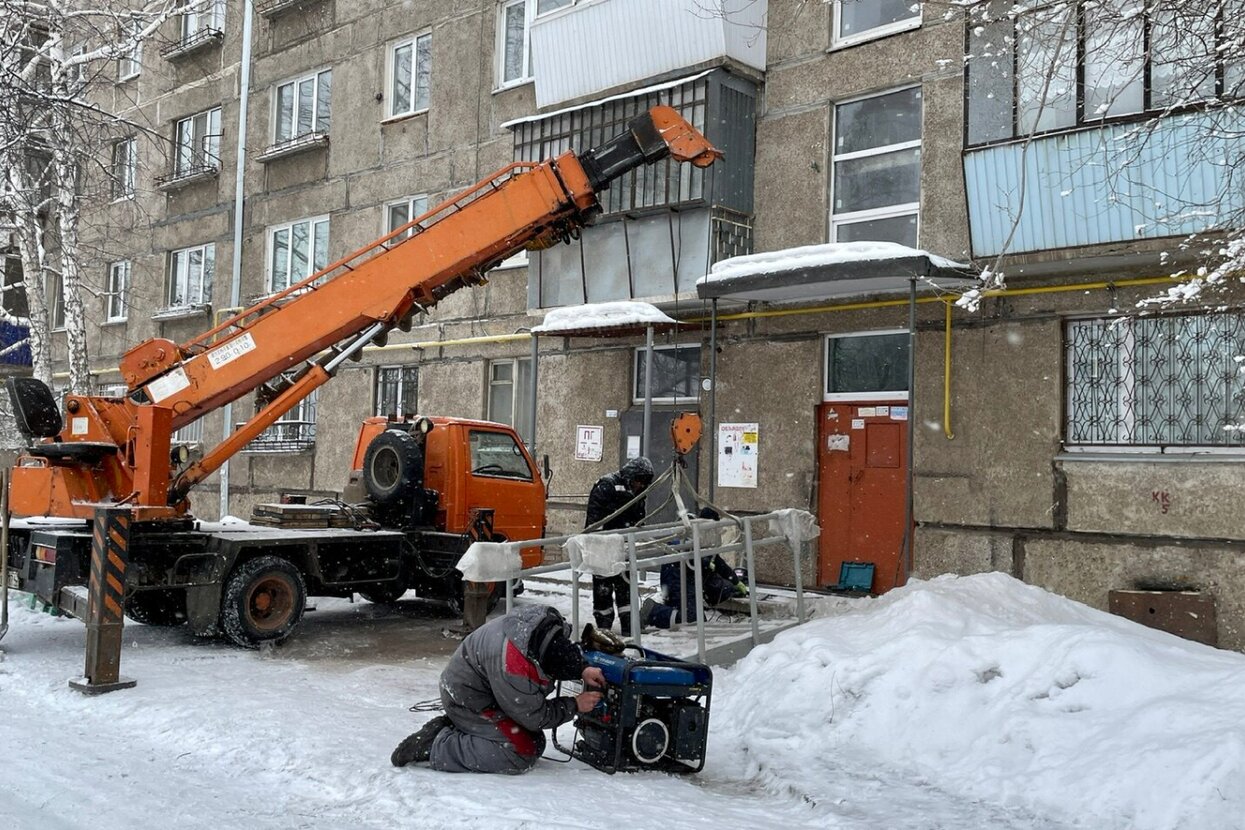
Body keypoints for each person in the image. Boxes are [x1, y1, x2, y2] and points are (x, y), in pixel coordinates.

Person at [391, 605, 606, 774]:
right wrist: (574, 705)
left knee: (535, 740)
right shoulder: (514, 667)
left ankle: (467, 728)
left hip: (486, 690)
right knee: (522, 751)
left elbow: (558, 653)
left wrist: (581, 668)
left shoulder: (543, 626)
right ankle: (437, 746)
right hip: (468, 700)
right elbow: (535, 717)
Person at [642, 507, 747, 630]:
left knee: (721, 593)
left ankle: (673, 610)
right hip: (677, 581)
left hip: (688, 581)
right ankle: (653, 611)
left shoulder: (704, 537)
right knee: (693, 619)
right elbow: (686, 554)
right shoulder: (690, 534)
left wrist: (735, 581)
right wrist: (706, 563)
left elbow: (718, 563)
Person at [584, 456, 654, 636]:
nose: (640, 485)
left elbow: (639, 519)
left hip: (623, 547)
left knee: (625, 589)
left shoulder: (638, 492)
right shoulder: (606, 486)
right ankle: (604, 628)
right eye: (639, 480)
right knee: (603, 591)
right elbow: (594, 522)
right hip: (602, 547)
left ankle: (629, 627)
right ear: (631, 476)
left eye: (644, 482)